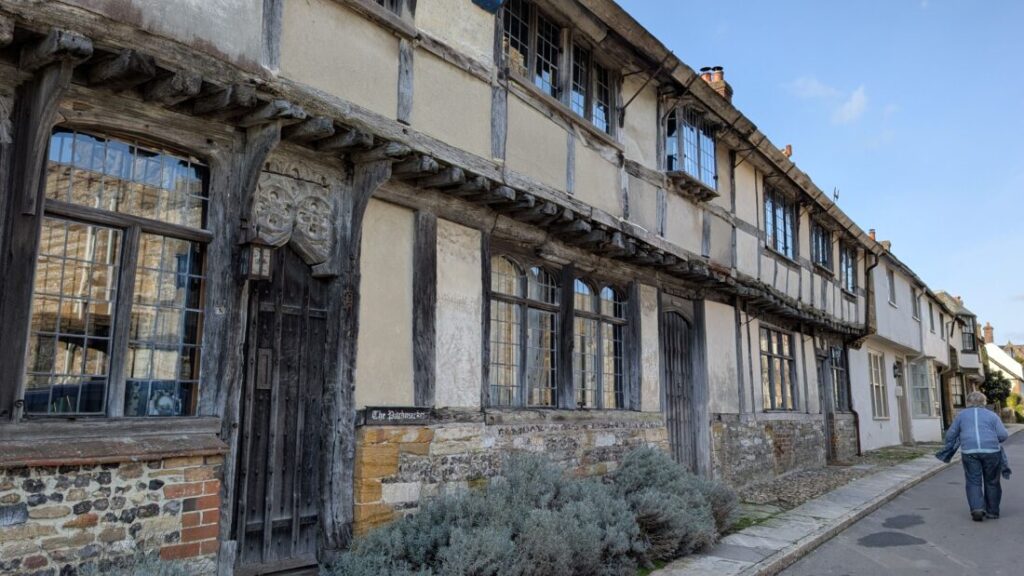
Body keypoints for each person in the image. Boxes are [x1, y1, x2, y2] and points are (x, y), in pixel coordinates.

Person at [940, 391, 1009, 521]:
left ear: (968, 402)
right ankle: (992, 512)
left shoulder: (961, 416)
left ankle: (977, 508)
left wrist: (954, 442)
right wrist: (992, 440)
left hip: (969, 452)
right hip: (992, 452)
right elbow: (1003, 435)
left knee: (973, 481)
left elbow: (950, 436)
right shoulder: (992, 416)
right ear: (984, 402)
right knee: (992, 481)